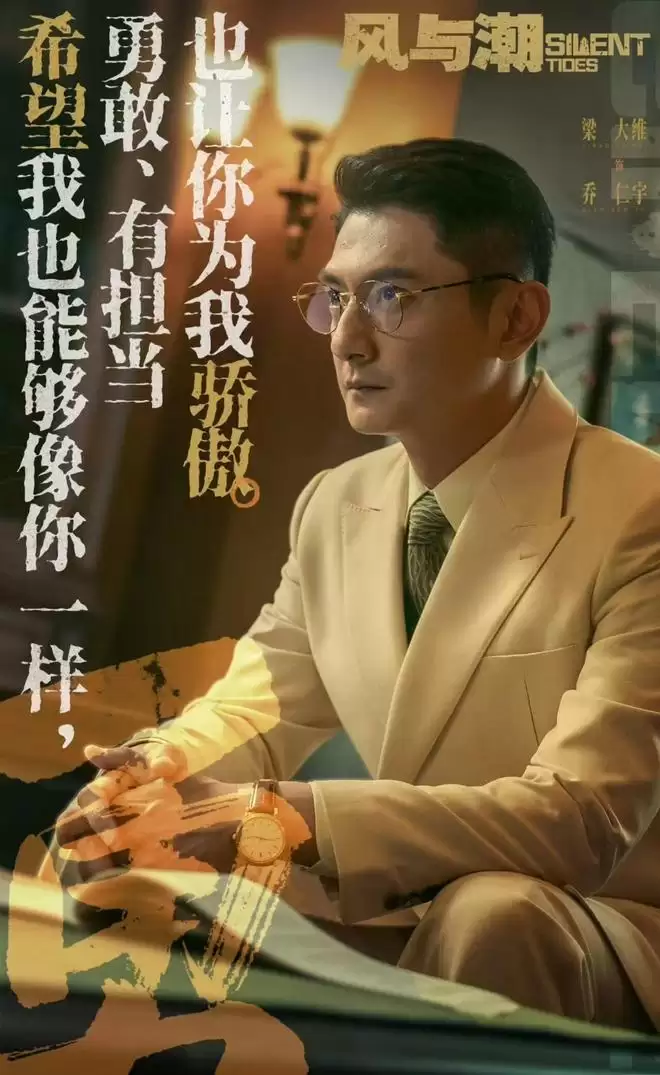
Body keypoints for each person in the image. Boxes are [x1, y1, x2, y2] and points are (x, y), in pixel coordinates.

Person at [54, 138, 660, 1033]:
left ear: (515, 318)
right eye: (336, 296)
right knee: (137, 876)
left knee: (492, 911)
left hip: (602, 925)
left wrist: (280, 818)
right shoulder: (337, 503)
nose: (346, 337)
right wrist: (154, 774)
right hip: (401, 903)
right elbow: (260, 705)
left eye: (391, 296)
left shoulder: (639, 509)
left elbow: (580, 821)